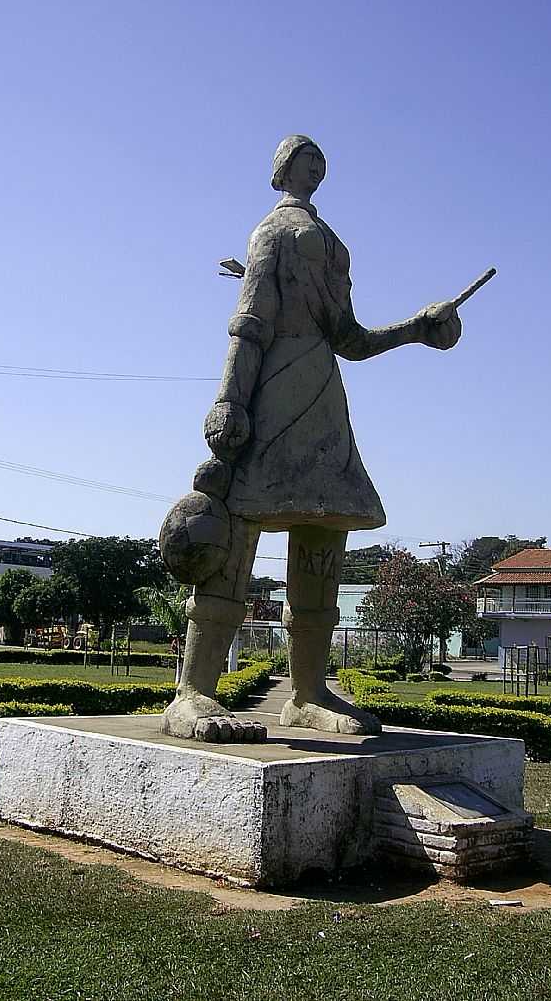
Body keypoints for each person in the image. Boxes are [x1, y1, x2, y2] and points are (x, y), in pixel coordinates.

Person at [157, 135, 461, 742]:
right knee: (237, 529)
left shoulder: (331, 243)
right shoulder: (272, 233)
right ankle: (192, 694)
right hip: (272, 391)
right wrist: (228, 400)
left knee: (323, 530)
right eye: (303, 157)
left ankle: (308, 693)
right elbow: (248, 324)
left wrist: (418, 330)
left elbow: (351, 338)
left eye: (321, 158)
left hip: (322, 393)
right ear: (281, 170)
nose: (315, 166)